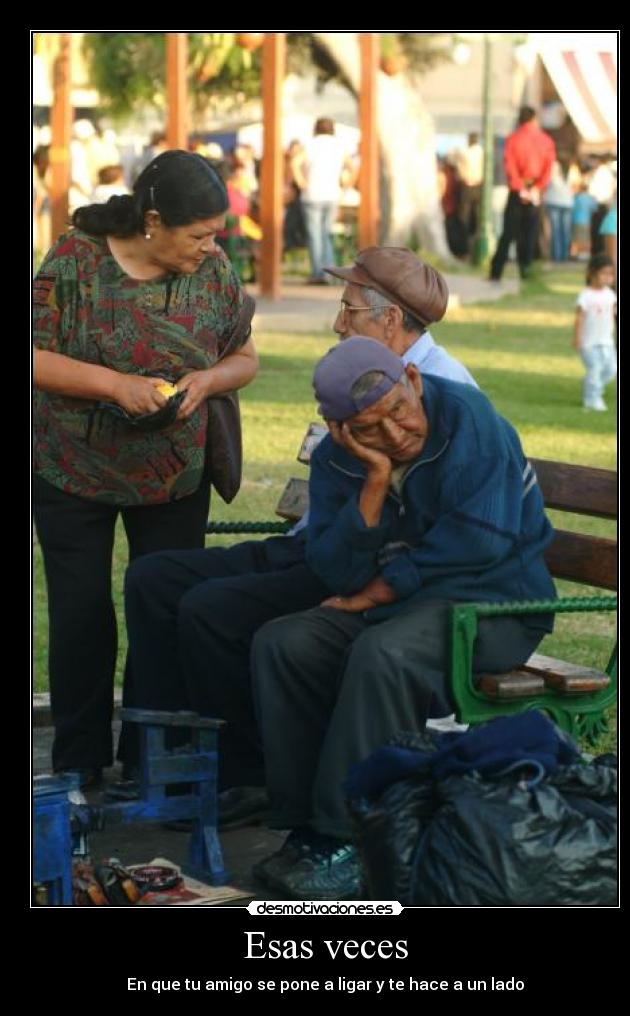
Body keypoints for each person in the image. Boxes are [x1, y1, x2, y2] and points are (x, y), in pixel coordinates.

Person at [123, 248, 476, 811]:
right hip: (312, 542)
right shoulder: (366, 370)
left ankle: (247, 773)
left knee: (211, 609)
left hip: (362, 563)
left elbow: (418, 525)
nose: (339, 322)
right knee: (153, 576)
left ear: (390, 320)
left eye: (349, 309)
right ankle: (164, 759)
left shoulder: (433, 388)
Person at [250, 337, 556, 900]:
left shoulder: (472, 423)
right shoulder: (336, 459)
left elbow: (478, 543)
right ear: (339, 428)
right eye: (368, 429)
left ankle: (357, 835)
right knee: (287, 641)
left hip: (497, 606)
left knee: (384, 653)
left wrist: (377, 592)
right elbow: (333, 569)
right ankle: (307, 829)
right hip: (406, 606)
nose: (395, 435)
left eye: (398, 410)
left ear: (413, 379)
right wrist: (371, 485)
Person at [33, 149, 259, 790]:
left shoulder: (212, 270)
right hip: (71, 467)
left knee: (162, 611)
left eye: (216, 233)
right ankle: (79, 762)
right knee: (80, 614)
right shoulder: (76, 259)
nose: (212, 245)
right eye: (200, 233)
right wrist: (114, 386)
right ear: (153, 221)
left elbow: (245, 357)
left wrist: (209, 379)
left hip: (171, 475)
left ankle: (150, 759)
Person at [489, 106, 556, 281]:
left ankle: (496, 271)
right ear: (534, 119)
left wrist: (520, 188)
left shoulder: (512, 139)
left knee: (508, 233)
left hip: (517, 190)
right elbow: (548, 168)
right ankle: (526, 270)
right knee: (530, 232)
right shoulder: (546, 140)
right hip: (535, 190)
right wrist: (537, 188)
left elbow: (509, 166)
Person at [294, 118, 349, 284]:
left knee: (315, 234)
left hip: (312, 194)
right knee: (327, 233)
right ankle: (330, 270)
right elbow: (352, 166)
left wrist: (302, 183)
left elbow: (294, 163)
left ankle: (318, 272)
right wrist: (346, 186)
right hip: (332, 194)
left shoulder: (310, 144)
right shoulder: (339, 145)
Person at [573, 253, 617, 411]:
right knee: (595, 370)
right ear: (592, 273)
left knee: (612, 369)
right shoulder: (585, 296)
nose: (608, 278)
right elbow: (579, 318)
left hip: (607, 342)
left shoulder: (611, 295)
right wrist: (577, 338)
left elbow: (612, 315)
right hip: (589, 343)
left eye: (611, 274)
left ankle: (592, 384)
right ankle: (592, 399)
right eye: (604, 273)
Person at [454, 132, 484, 258]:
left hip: (466, 186)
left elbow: (459, 169)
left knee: (464, 218)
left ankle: (465, 250)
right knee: (476, 218)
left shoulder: (464, 153)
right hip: (478, 187)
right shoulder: (481, 152)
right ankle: (474, 249)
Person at [543, 159, 574, 262]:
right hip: (557, 203)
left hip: (563, 203)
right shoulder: (554, 169)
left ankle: (562, 256)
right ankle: (558, 257)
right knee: (558, 231)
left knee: (563, 231)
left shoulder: (566, 173)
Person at [570, 180, 596, 261]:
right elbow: (594, 208)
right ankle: (585, 254)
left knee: (576, 239)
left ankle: (575, 254)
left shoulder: (576, 197)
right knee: (586, 239)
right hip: (586, 221)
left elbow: (572, 208)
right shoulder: (590, 198)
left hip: (576, 221)